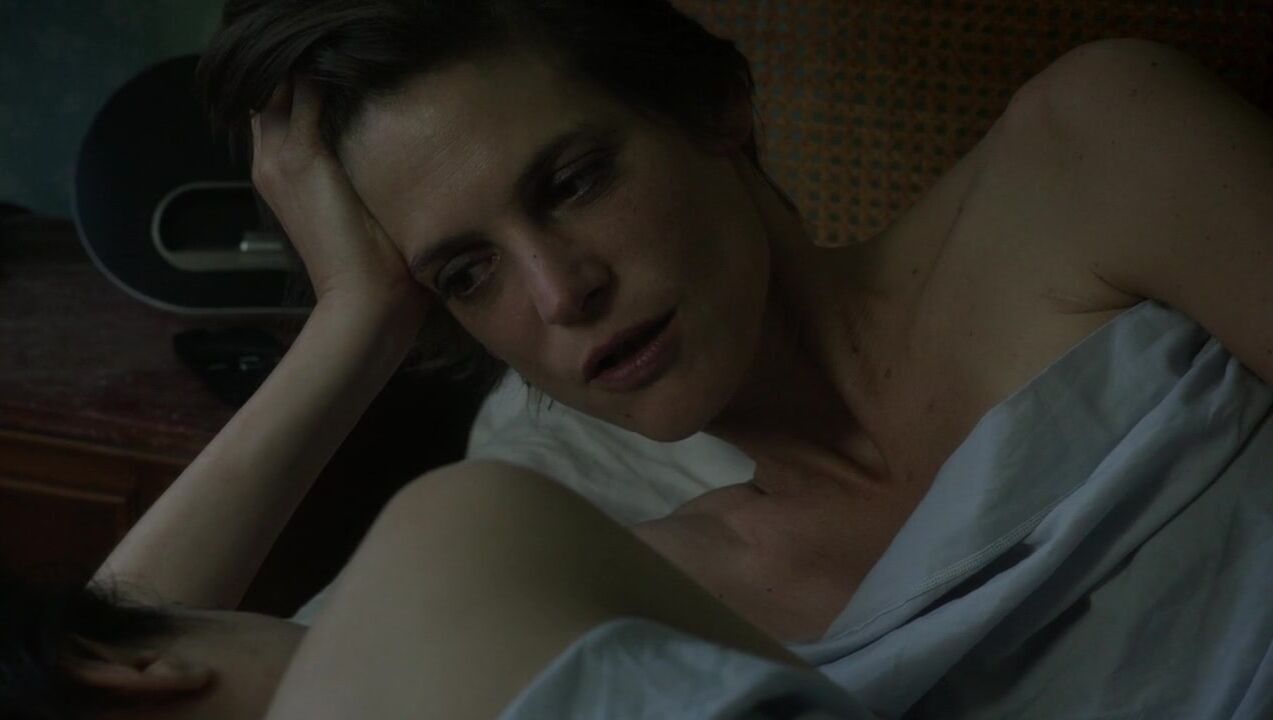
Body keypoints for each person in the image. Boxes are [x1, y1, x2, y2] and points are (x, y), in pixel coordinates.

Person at [6, 0, 1271, 716]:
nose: (561, 294)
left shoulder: (1086, 157)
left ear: (716, 107)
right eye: (465, 274)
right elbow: (105, 673)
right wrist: (352, 326)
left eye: (572, 182)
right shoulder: (598, 571)